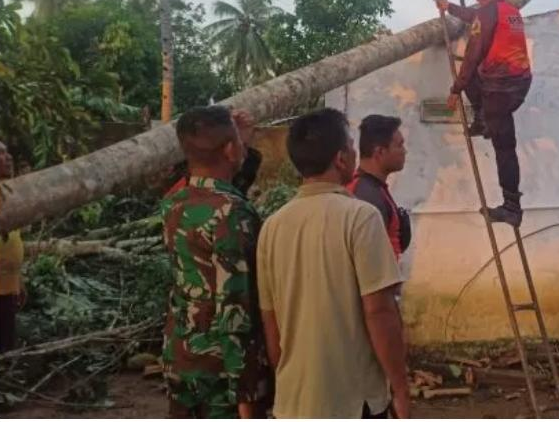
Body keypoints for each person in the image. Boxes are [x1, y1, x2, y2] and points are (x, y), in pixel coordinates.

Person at [257, 108, 409, 419]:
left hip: (294, 401)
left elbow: (270, 324)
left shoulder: (272, 227)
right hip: (353, 400)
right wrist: (401, 388)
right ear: (341, 159)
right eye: (353, 146)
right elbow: (379, 311)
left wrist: (288, 380)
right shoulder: (360, 216)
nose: (357, 152)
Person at [160, 106, 269, 418]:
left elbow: (220, 192)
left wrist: (239, 141)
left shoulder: (173, 203)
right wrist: (246, 391)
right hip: (221, 373)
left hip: (181, 358)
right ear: (231, 150)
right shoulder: (234, 213)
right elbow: (235, 306)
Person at [434, 0, 532, 227]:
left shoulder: (487, 13)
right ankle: (482, 119)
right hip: (519, 82)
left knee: (504, 147)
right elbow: (477, 17)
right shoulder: (508, 10)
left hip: (500, 88)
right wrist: (450, 7)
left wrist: (455, 90)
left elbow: (473, 54)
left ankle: (511, 207)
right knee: (477, 77)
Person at [346, 115, 412, 260]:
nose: (404, 151)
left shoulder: (374, 189)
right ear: (380, 152)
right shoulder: (366, 196)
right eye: (399, 145)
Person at [0, 140, 25, 354]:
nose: (8, 158)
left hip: (6, 288)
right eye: (0, 154)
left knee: (5, 347)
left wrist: (18, 282)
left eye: (7, 152)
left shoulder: (6, 195)